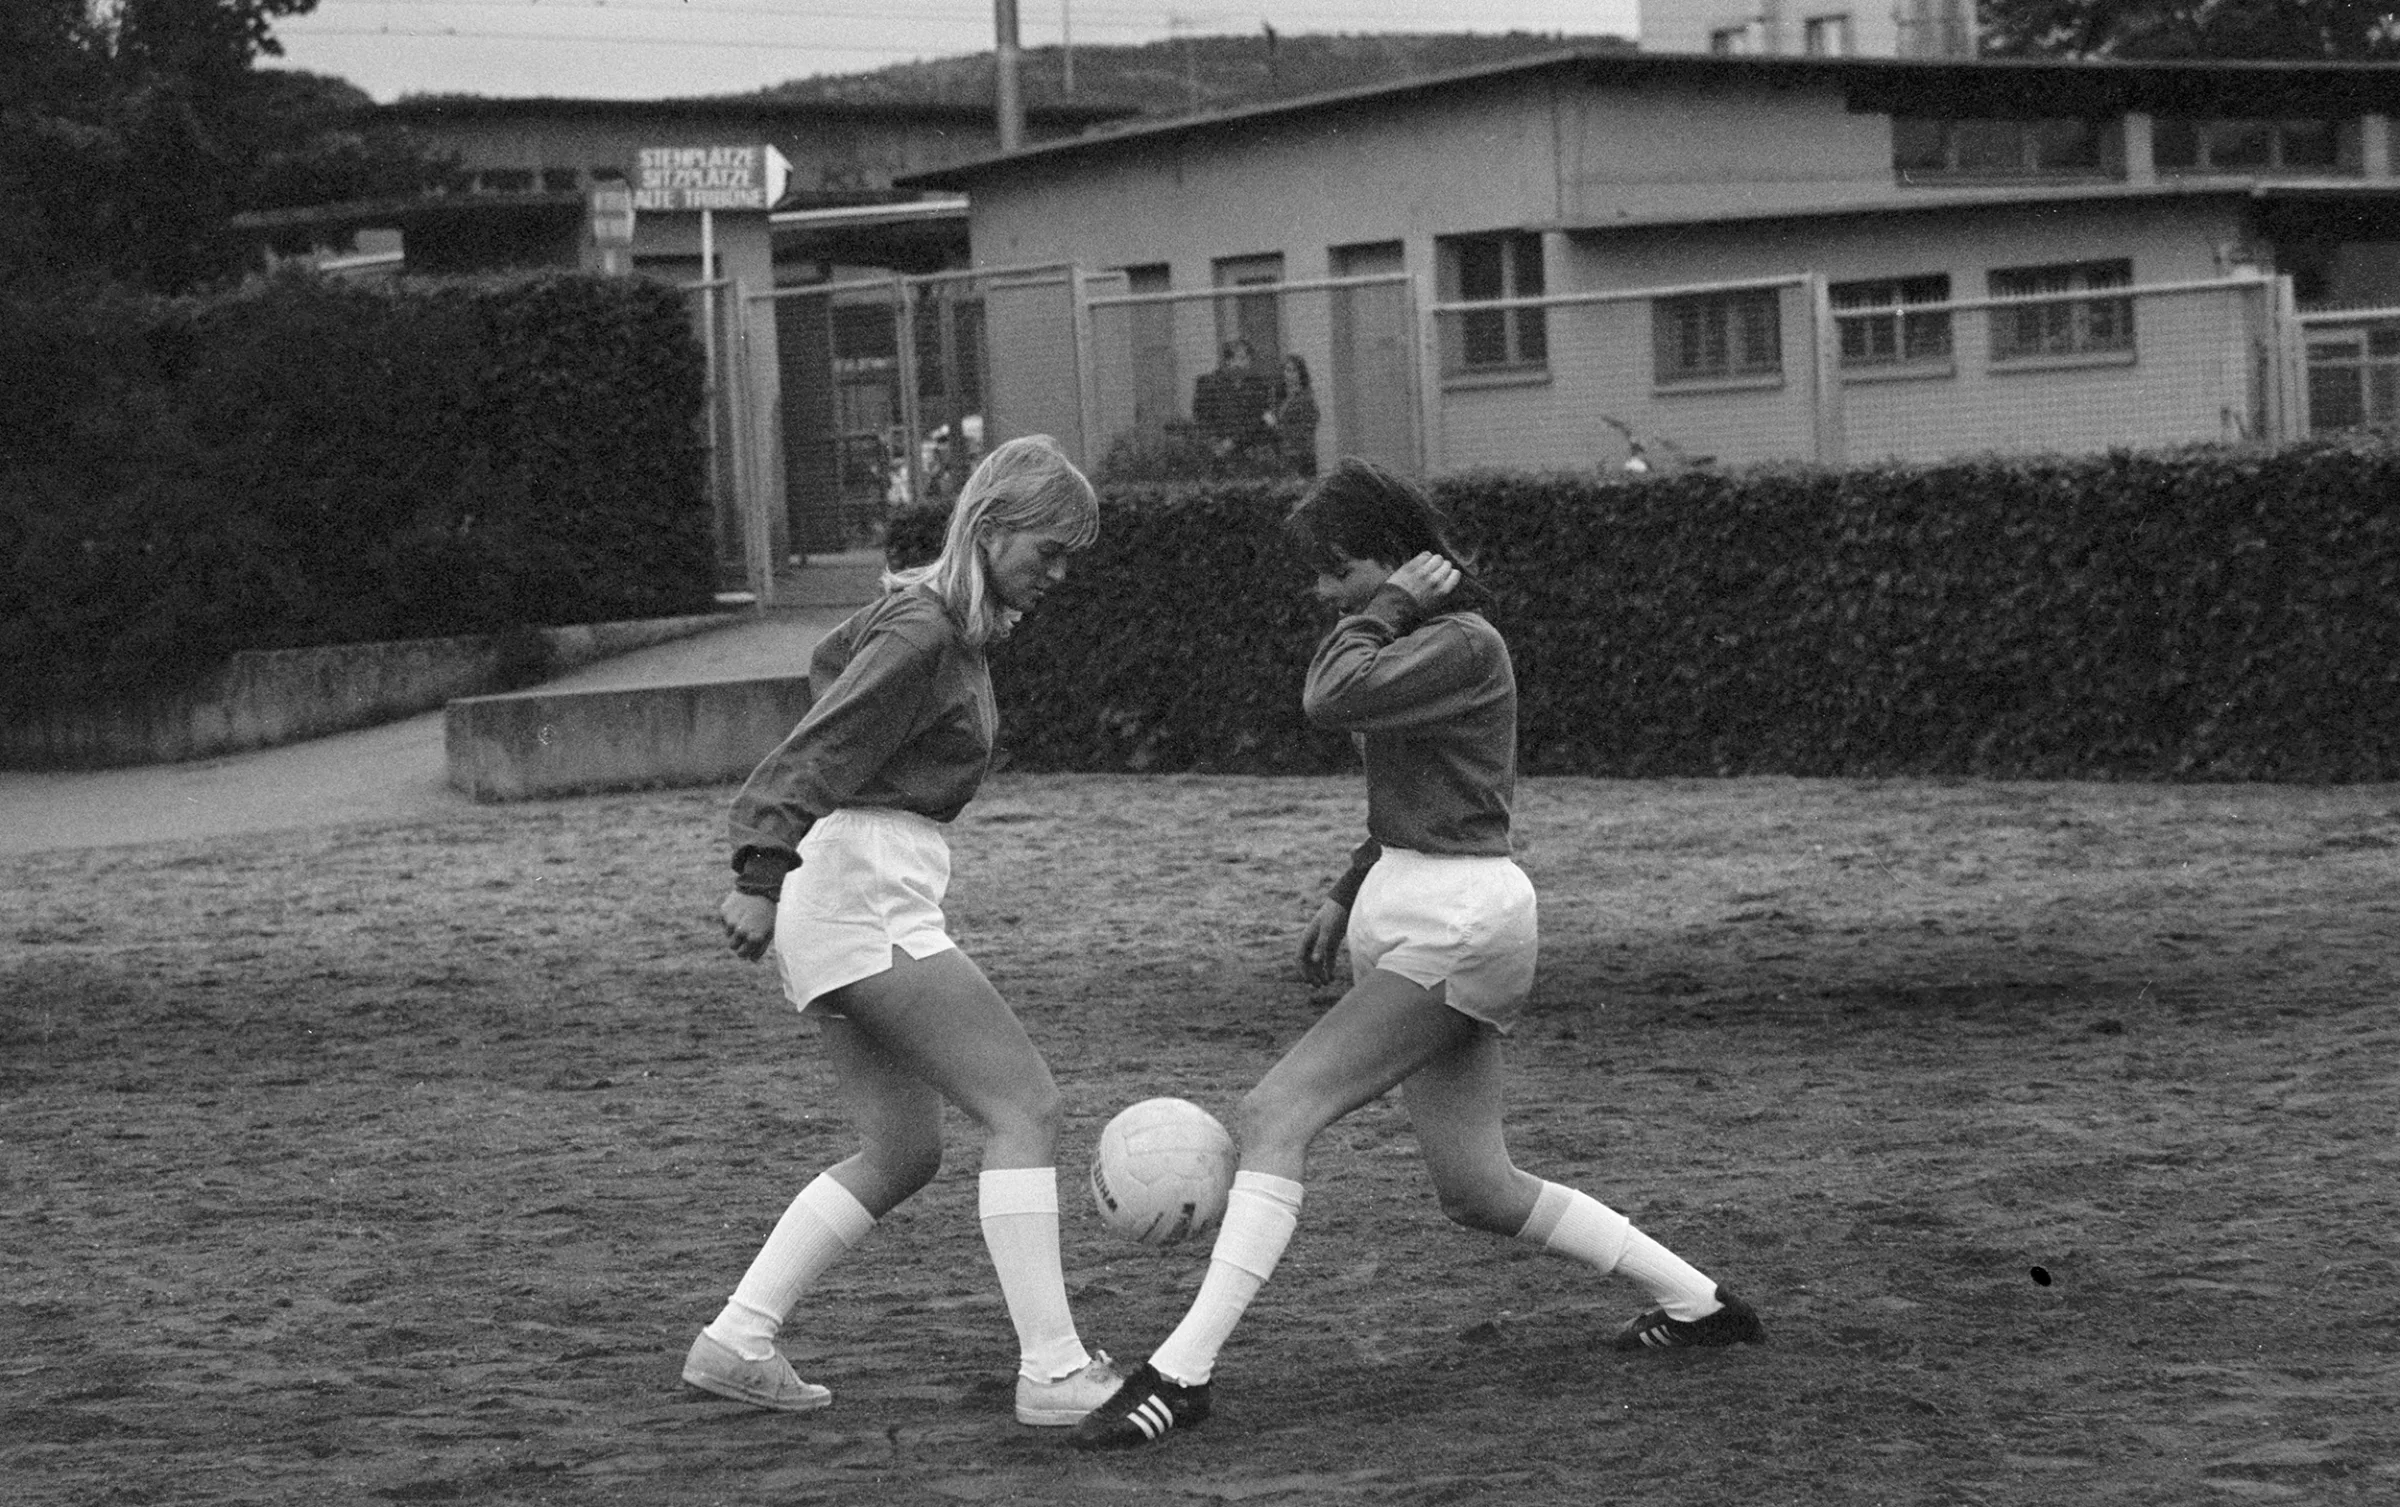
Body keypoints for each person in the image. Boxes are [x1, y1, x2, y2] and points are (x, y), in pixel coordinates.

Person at [1073, 458, 1762, 1449]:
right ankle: (1703, 1305)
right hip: (1421, 901)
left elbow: (1329, 695)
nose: (1321, 595)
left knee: (1276, 1111)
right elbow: (1425, 783)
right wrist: (1348, 886)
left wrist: (1386, 601)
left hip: (1457, 919)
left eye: (1333, 570)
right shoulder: (1426, 638)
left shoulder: (1462, 642)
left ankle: (1180, 1374)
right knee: (1477, 1188)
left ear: (1391, 561)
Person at [684, 434, 1124, 1427]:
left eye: (1068, 559)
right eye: (1046, 551)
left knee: (901, 1150)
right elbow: (819, 742)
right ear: (992, 526)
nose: (1057, 575)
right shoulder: (926, 629)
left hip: (857, 888)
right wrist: (758, 869)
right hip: (859, 890)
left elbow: (829, 666)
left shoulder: (934, 626)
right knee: (1026, 1106)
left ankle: (737, 1338)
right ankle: (1054, 1371)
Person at [1266, 354, 1320, 478]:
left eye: (1293, 370)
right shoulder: (1279, 397)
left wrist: (1277, 426)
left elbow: (1306, 430)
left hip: (1301, 457)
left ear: (1301, 373)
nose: (1289, 374)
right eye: (1286, 370)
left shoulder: (1306, 398)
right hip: (1281, 456)